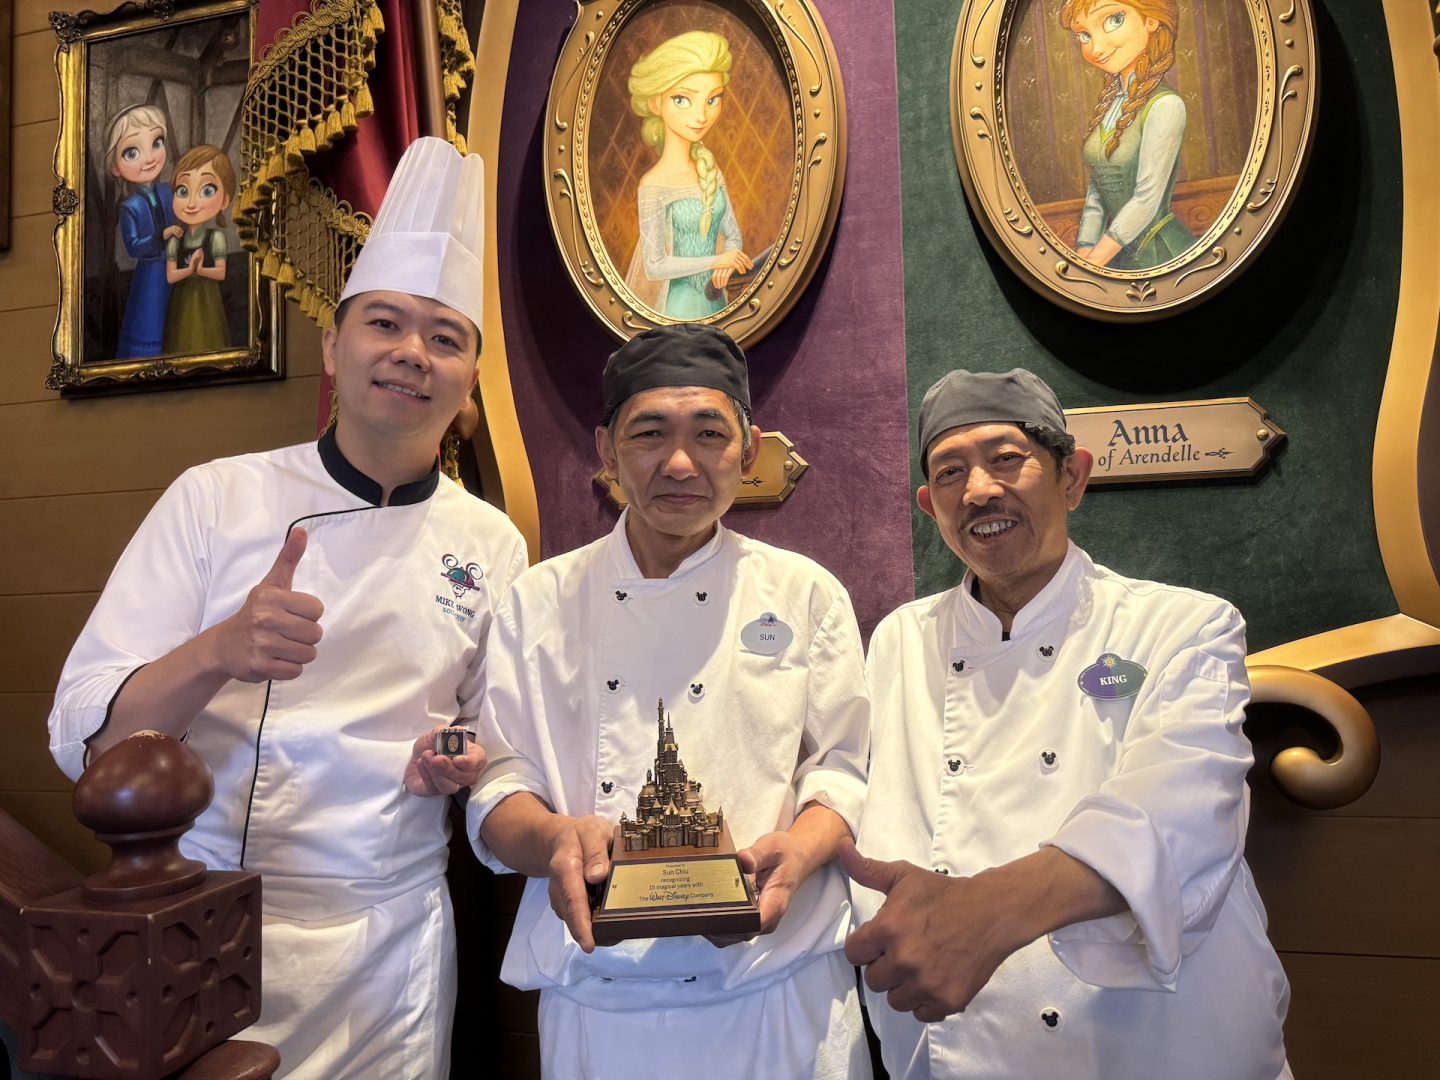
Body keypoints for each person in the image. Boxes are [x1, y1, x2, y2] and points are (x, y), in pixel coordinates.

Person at [49, 137, 526, 1080]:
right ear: (333, 344)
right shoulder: (215, 497)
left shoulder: (493, 544)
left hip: (392, 939)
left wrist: (457, 761)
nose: (411, 354)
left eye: (445, 336)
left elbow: (495, 746)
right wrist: (219, 650)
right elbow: (80, 732)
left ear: (469, 376)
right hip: (209, 927)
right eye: (384, 323)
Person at [844, 368, 1291, 1079]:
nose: (980, 489)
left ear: (1072, 477)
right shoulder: (898, 640)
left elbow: (1182, 810)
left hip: (1150, 1047)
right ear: (931, 507)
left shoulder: (1182, 624)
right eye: (951, 471)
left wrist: (983, 913)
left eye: (1007, 457)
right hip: (954, 1045)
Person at [468, 323, 872, 1079]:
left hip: (774, 994)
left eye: (709, 434)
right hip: (599, 1003)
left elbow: (844, 770)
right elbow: (499, 782)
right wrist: (553, 839)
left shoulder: (806, 594)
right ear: (605, 449)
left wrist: (802, 850)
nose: (680, 462)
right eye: (649, 432)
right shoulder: (540, 601)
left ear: (748, 452)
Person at [623, 31, 754, 318]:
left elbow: (733, 237)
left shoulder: (711, 169)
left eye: (713, 99)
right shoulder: (653, 184)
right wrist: (716, 260)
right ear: (656, 104)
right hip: (680, 308)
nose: (701, 116)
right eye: (682, 100)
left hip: (715, 301)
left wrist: (725, 264)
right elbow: (655, 265)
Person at [1062, 0, 1196, 270]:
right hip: (1114, 253)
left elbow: (1147, 199)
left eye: (1114, 20)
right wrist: (1084, 248)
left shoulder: (1165, 105)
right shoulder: (1111, 104)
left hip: (1158, 252)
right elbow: (1097, 191)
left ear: (1151, 19)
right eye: (1084, 35)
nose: (1096, 48)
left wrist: (1096, 260)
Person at [105, 104, 179, 358]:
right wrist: (161, 236)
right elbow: (134, 246)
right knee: (149, 325)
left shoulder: (167, 191)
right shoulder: (130, 206)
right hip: (150, 276)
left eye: (156, 142)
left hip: (177, 267)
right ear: (115, 167)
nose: (149, 158)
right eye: (132, 152)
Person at [164, 144, 236, 354]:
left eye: (206, 190)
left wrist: (200, 269)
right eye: (183, 191)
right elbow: (170, 276)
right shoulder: (175, 240)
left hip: (207, 302)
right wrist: (191, 268)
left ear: (224, 200)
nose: (192, 203)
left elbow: (220, 273)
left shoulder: (216, 238)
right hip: (181, 303)